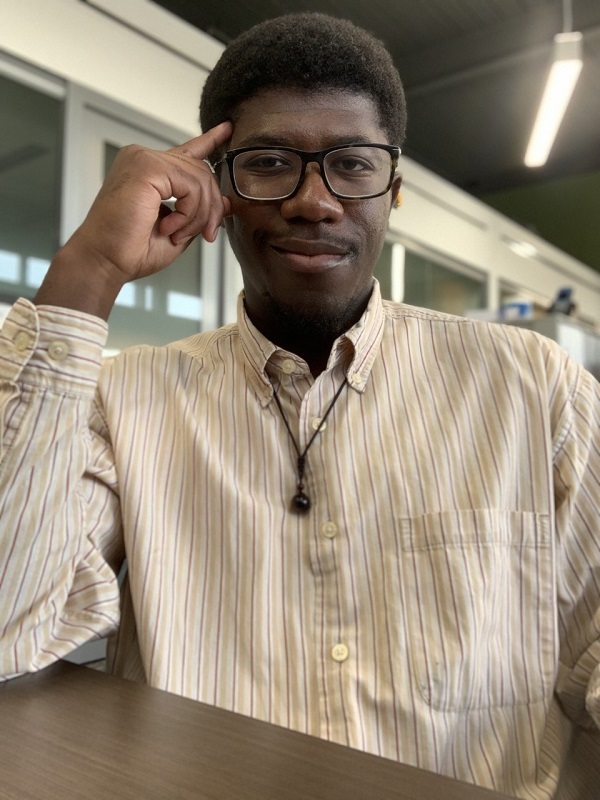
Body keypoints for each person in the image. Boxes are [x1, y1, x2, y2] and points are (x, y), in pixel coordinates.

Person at [0, 12, 598, 800]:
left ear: (394, 191)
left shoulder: (536, 388)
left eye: (351, 165)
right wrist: (88, 269)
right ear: (217, 193)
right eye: (271, 163)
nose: (314, 201)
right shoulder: (127, 397)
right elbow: (11, 626)